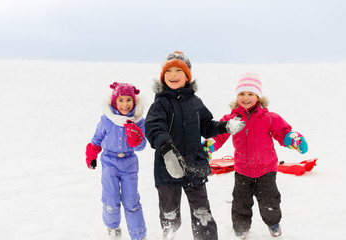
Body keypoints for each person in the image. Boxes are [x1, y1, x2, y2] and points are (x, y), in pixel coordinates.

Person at [144, 51, 246, 240]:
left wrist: (226, 126)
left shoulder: (195, 102)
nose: (173, 75)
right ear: (163, 77)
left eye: (179, 71)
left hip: (194, 165)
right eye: (169, 71)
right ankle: (170, 234)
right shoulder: (160, 104)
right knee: (169, 213)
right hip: (168, 168)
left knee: (202, 213)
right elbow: (154, 128)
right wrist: (167, 149)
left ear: (188, 76)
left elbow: (207, 126)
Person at [202, 72, 309, 239]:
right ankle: (241, 226)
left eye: (250, 94)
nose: (246, 98)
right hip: (242, 169)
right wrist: (210, 145)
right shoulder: (232, 118)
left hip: (266, 169)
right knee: (240, 202)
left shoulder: (268, 117)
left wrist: (294, 141)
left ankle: (273, 222)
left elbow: (283, 132)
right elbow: (220, 134)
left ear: (258, 96)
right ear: (237, 96)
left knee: (269, 201)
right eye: (242, 94)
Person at [85, 82, 147, 240]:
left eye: (128, 100)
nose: (125, 104)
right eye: (121, 100)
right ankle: (113, 227)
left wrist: (136, 139)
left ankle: (139, 236)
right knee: (110, 198)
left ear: (134, 102)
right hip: (109, 161)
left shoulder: (138, 121)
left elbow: (141, 146)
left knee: (132, 201)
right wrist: (91, 155)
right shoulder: (107, 120)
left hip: (129, 163)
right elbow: (97, 138)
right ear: (114, 102)